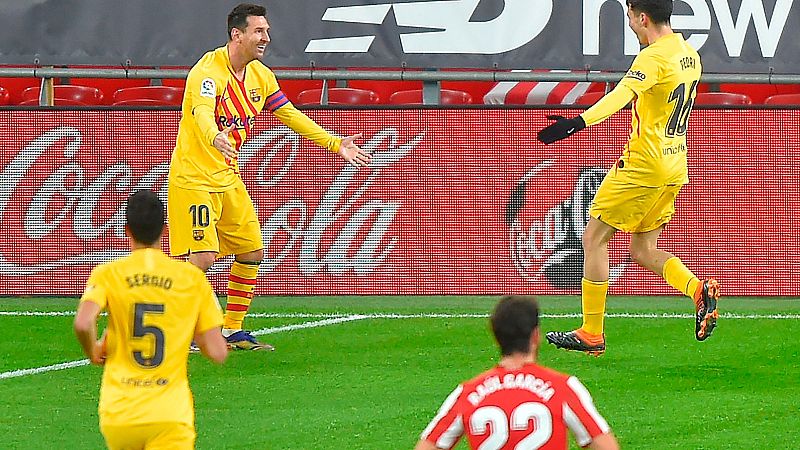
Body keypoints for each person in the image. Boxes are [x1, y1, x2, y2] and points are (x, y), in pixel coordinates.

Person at [167, 3, 372, 351]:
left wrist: (335, 143)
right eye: (259, 31)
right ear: (238, 35)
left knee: (251, 251)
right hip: (195, 178)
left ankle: (231, 329)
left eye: (266, 30)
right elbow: (202, 111)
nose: (266, 37)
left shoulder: (260, 76)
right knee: (201, 258)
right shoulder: (208, 72)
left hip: (228, 178)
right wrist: (213, 135)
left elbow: (289, 114)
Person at [536, 0, 720, 356]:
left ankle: (591, 331)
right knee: (642, 249)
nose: (632, 25)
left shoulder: (652, 57)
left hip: (643, 165)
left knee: (593, 238)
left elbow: (622, 95)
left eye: (631, 18)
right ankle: (698, 291)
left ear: (643, 17)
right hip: (675, 164)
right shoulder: (688, 53)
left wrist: (576, 123)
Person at [74, 190, 228, 449]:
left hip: (120, 413)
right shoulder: (191, 279)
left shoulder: (108, 274)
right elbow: (217, 352)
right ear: (165, 230)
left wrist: (93, 351)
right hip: (170, 414)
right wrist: (187, 328)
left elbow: (83, 322)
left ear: (126, 230)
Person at [414, 295, 619, 450]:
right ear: (535, 336)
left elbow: (428, 445)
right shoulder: (563, 388)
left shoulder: (468, 394)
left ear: (495, 336)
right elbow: (606, 445)